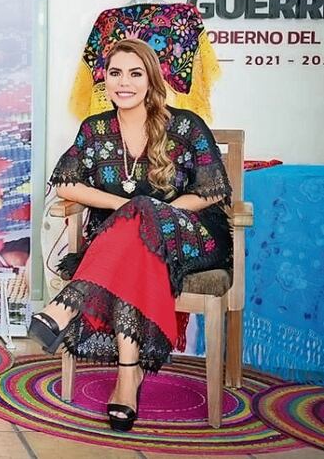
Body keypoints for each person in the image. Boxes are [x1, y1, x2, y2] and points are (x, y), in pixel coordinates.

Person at [29, 37, 232, 432]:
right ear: (105, 79)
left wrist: (155, 213)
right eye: (116, 73)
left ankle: (64, 308)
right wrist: (128, 209)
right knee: (135, 237)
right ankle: (128, 378)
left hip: (189, 235)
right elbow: (67, 185)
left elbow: (211, 191)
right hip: (125, 243)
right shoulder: (96, 129)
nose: (124, 82)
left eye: (135, 73)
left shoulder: (185, 125)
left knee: (141, 214)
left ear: (151, 79)